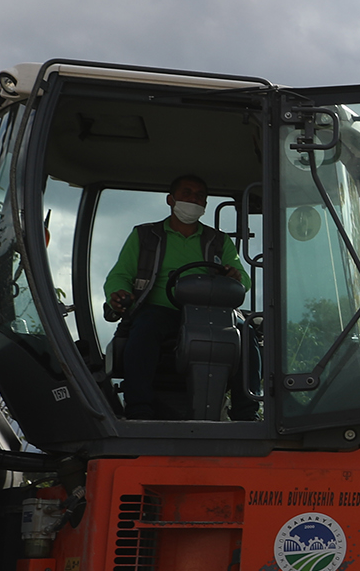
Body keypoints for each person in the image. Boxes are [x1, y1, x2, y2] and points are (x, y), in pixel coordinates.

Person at [103, 174, 253, 420]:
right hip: (160, 310)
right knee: (144, 328)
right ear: (170, 199)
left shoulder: (219, 241)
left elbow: (243, 281)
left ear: (205, 205)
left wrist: (235, 277)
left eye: (199, 196)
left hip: (209, 314)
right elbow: (120, 275)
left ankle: (246, 414)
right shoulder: (144, 236)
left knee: (245, 334)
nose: (193, 199)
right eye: (186, 193)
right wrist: (118, 293)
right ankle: (139, 409)